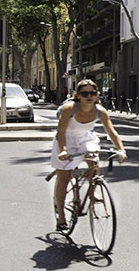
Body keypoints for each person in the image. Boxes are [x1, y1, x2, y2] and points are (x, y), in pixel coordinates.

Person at [51, 79, 127, 232]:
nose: (89, 96)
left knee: (93, 160)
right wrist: (64, 150)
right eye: (84, 93)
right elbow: (61, 132)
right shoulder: (69, 109)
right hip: (66, 139)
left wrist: (121, 149)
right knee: (63, 178)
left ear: (97, 95)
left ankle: (94, 191)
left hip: (86, 137)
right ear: (78, 95)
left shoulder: (100, 111)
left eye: (92, 93)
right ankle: (61, 218)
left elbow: (111, 132)